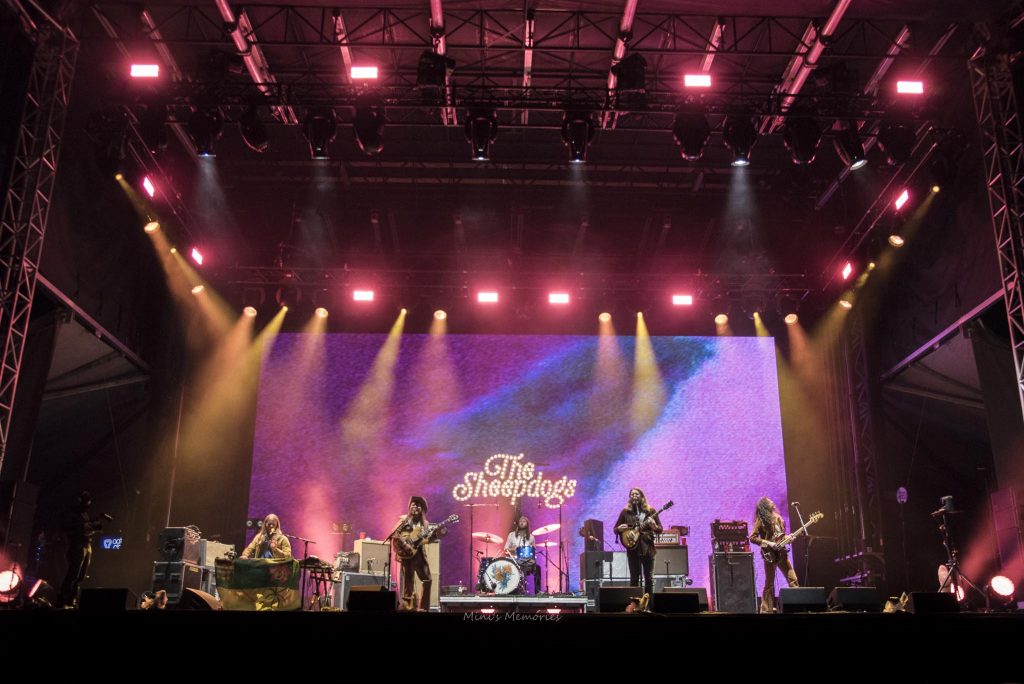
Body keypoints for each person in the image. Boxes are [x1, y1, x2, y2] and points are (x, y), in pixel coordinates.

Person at [392, 496, 447, 611]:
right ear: (409, 507)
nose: (415, 507)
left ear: (422, 509)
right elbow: (395, 535)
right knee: (408, 583)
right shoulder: (404, 520)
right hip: (407, 555)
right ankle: (408, 608)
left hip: (419, 554)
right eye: (413, 504)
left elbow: (426, 540)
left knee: (428, 579)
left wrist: (436, 534)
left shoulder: (425, 524)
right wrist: (405, 545)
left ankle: (423, 608)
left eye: (418, 505)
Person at [749, 496, 799, 613]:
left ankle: (797, 605)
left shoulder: (778, 518)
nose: (772, 501)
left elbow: (782, 536)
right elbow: (752, 538)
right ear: (765, 506)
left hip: (782, 554)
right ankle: (766, 610)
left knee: (793, 579)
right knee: (769, 583)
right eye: (769, 501)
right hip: (770, 555)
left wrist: (789, 538)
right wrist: (769, 543)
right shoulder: (761, 520)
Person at [59, 491, 106, 607]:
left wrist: (92, 526)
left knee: (80, 577)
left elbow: (87, 528)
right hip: (77, 545)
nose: (88, 505)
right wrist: (85, 527)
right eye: (86, 502)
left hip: (86, 545)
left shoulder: (84, 514)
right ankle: (63, 600)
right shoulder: (72, 514)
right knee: (73, 574)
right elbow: (67, 528)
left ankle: (71, 600)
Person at [614, 488, 663, 595]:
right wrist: (619, 529)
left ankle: (648, 603)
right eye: (632, 494)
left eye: (636, 494)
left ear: (642, 496)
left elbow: (660, 529)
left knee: (649, 579)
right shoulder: (625, 512)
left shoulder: (650, 511)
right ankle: (635, 603)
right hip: (632, 549)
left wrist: (654, 526)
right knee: (634, 578)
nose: (634, 496)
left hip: (648, 548)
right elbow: (615, 528)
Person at [504, 515, 541, 594]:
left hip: (527, 561)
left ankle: (537, 592)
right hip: (515, 560)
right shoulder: (511, 535)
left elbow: (534, 550)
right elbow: (506, 548)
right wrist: (514, 549)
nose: (521, 522)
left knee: (538, 568)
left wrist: (532, 555)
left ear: (527, 524)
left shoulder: (531, 537)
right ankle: (512, 591)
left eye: (524, 521)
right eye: (520, 521)